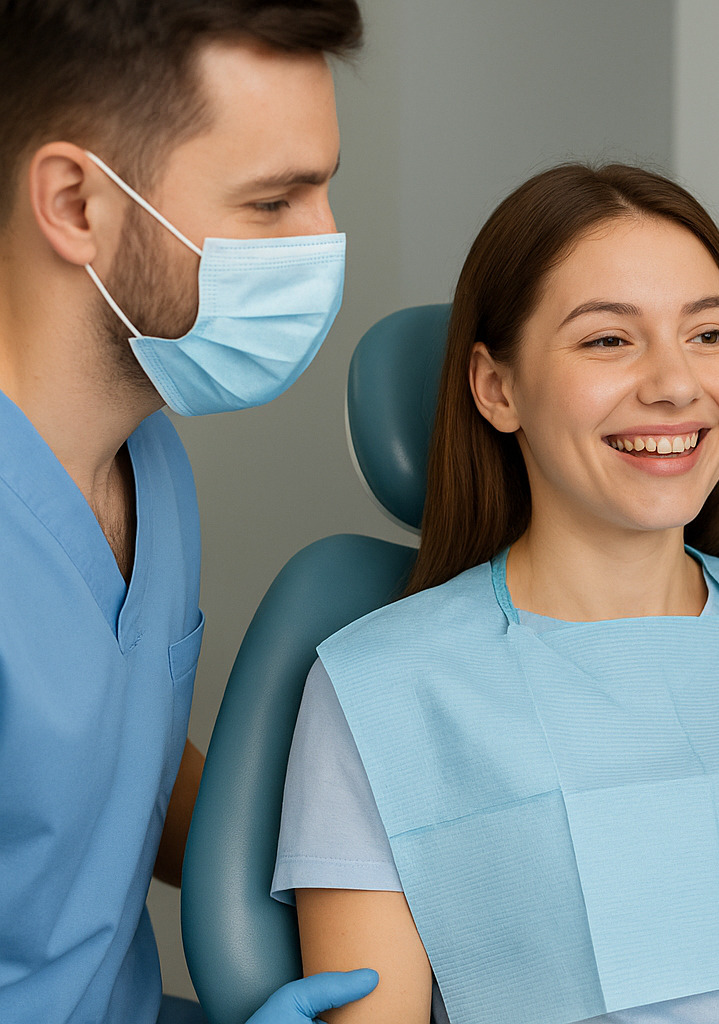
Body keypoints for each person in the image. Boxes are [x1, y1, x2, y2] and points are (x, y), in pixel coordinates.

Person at [270, 163, 719, 1024]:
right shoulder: (383, 690)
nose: (675, 384)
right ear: (497, 388)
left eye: (708, 335)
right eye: (609, 339)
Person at [0, 1, 376, 1021]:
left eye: (325, 188)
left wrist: (351, 860)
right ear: (77, 203)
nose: (326, 241)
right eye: (273, 204)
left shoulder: (148, 458)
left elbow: (106, 771)